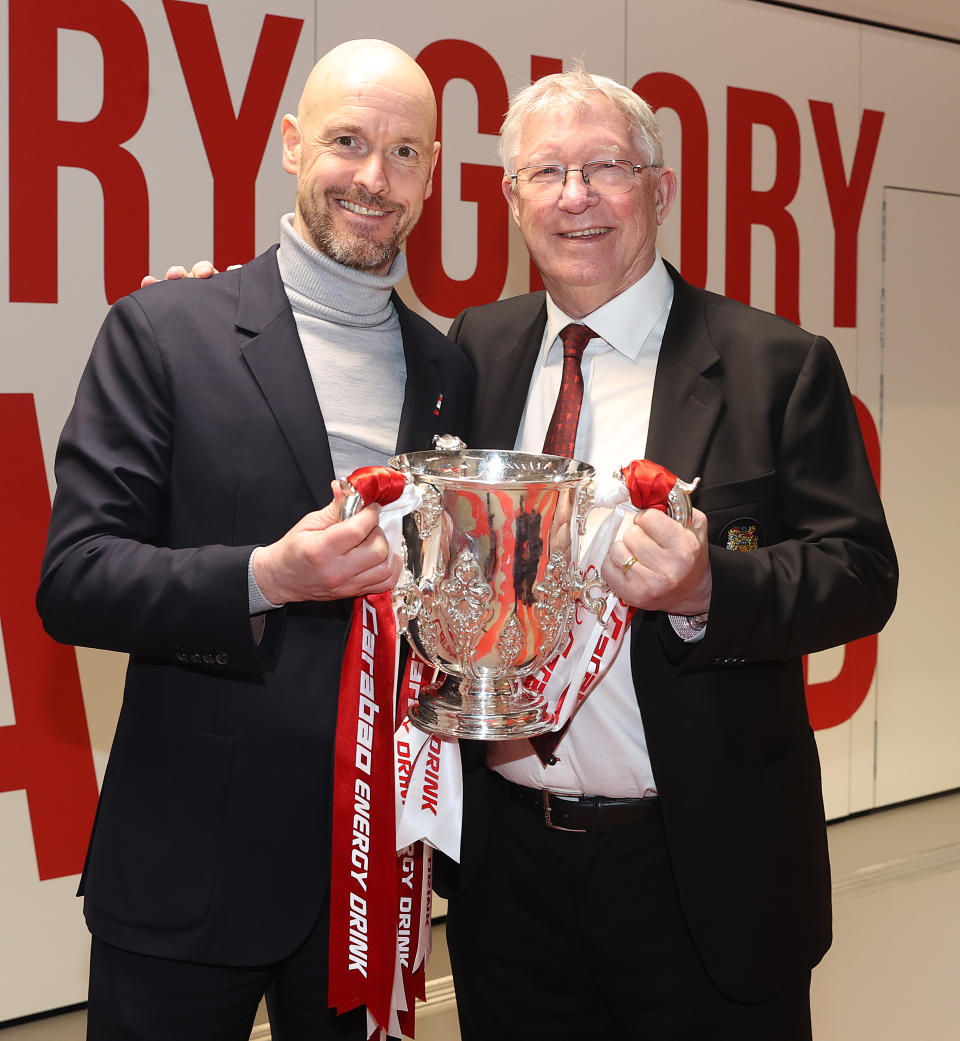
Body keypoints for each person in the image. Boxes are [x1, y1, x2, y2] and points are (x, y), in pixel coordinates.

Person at [437, 64, 898, 1041]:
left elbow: (859, 573)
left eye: (606, 165)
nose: (578, 197)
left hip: (702, 867)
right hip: (508, 870)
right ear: (511, 198)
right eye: (547, 173)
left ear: (661, 187)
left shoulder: (775, 362)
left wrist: (706, 587)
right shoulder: (476, 347)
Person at [36, 39, 473, 1041]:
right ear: (289, 146)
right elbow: (75, 579)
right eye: (349, 142)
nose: (374, 178)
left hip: (369, 883)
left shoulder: (450, 370)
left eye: (406, 153)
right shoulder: (166, 330)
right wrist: (267, 576)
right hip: (189, 870)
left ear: (434, 172)